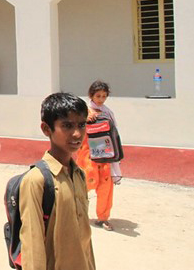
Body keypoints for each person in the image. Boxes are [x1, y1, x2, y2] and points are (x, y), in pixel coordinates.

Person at [19, 92, 95, 270]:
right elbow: (32, 243)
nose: (77, 134)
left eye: (81, 125)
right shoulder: (36, 180)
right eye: (67, 126)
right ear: (46, 129)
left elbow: (85, 238)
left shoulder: (79, 175)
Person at [77, 80, 122, 232]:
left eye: (104, 96)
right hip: (88, 155)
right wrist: (84, 121)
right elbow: (75, 128)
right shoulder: (83, 111)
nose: (101, 99)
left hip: (105, 155)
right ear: (91, 95)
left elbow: (114, 133)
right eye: (98, 96)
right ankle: (76, 213)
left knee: (105, 185)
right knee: (86, 183)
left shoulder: (107, 112)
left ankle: (103, 218)